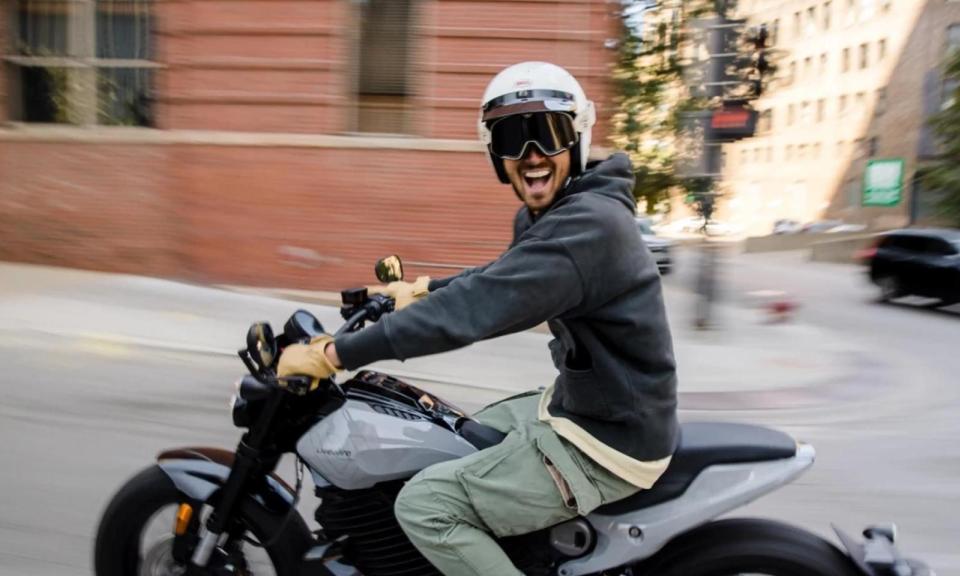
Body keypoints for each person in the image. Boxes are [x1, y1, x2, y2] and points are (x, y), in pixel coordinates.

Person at [277, 61, 678, 576]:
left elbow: (476, 312)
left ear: (577, 136)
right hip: (585, 407)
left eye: (548, 134)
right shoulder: (560, 212)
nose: (531, 155)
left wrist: (334, 353)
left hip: (608, 442)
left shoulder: (589, 227)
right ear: (495, 153)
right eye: (513, 139)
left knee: (426, 505)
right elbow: (501, 279)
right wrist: (423, 290)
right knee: (445, 437)